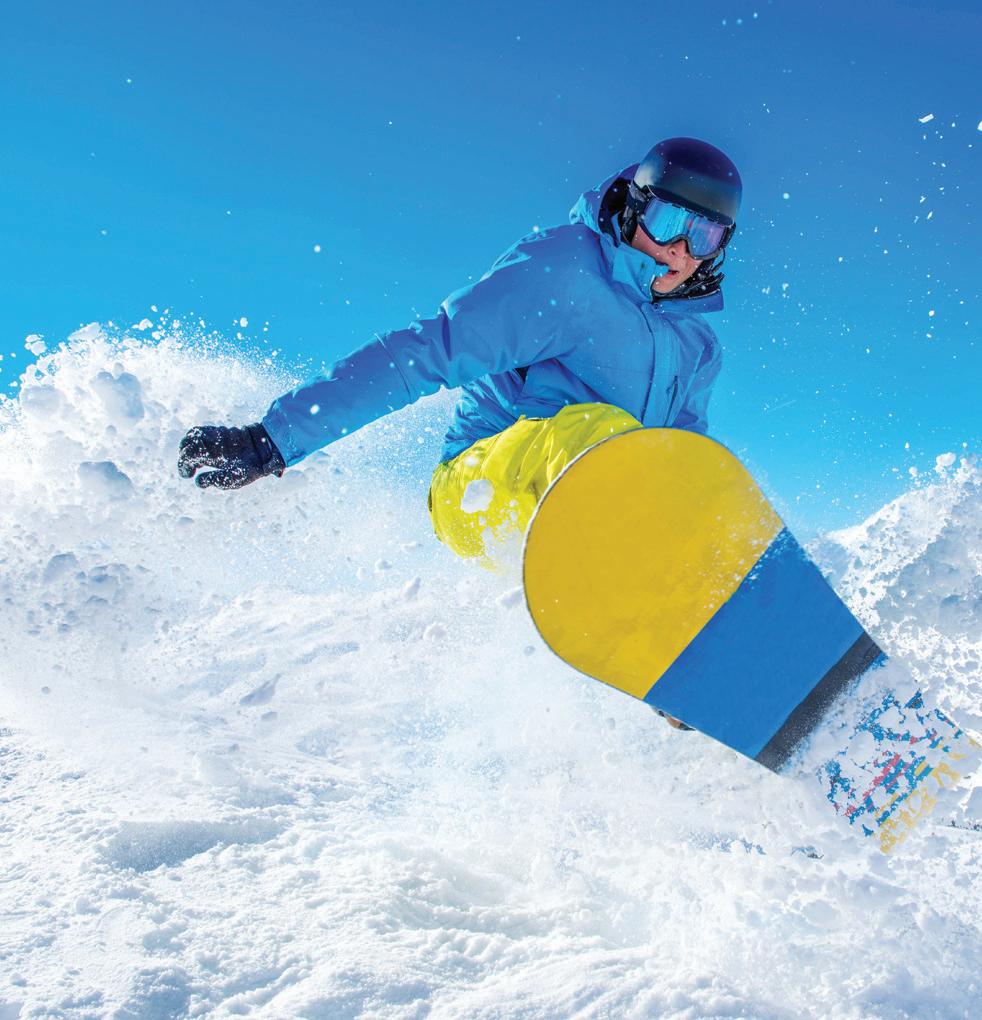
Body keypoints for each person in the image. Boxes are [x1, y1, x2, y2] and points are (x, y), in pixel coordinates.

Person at [179, 137, 742, 573]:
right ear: (635, 208)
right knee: (604, 438)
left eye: (705, 236)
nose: (680, 251)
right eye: (669, 223)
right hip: (475, 491)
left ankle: (690, 628)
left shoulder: (696, 344)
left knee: (699, 480)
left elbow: (682, 459)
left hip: (592, 518)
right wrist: (273, 439)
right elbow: (429, 351)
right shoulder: (565, 272)